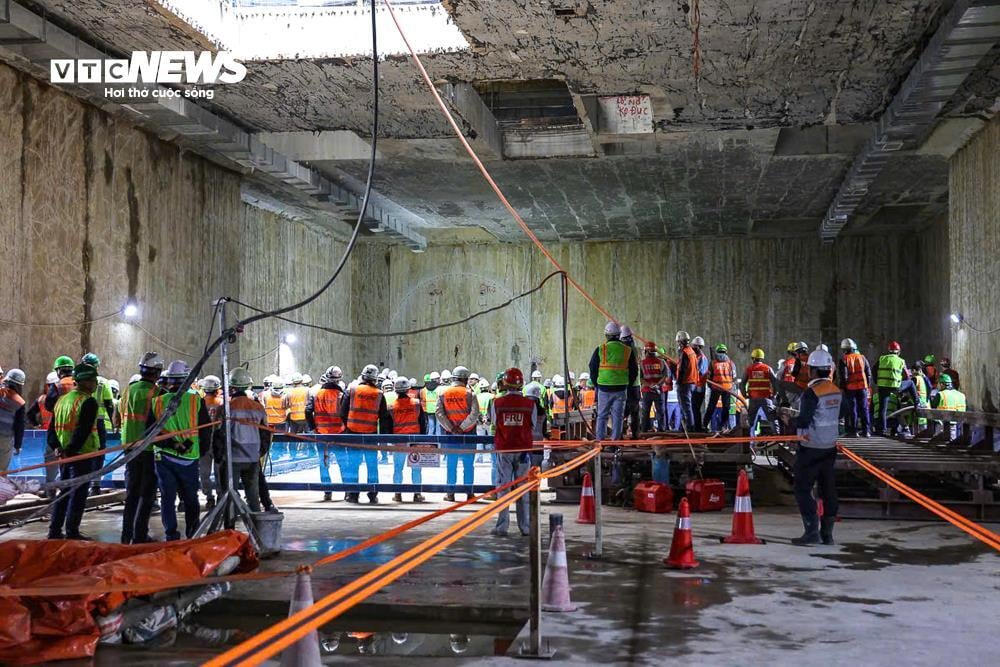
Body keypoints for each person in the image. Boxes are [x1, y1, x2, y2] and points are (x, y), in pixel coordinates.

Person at [148, 360, 211, 541]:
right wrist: (201, 451)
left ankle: (171, 535)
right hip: (189, 458)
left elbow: (151, 431)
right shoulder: (195, 401)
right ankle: (193, 533)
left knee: (167, 498)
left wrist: (172, 444)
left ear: (169, 380)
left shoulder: (157, 402)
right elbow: (206, 429)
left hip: (163, 457)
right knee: (190, 498)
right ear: (187, 379)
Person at [789, 348, 842, 546]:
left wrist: (788, 419)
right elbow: (842, 413)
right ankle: (827, 535)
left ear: (812, 370)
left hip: (810, 448)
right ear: (828, 370)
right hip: (829, 448)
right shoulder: (836, 391)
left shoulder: (811, 393)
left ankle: (811, 532)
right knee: (828, 490)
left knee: (802, 489)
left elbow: (804, 420)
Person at [48, 363, 102, 540]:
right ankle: (72, 531)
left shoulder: (62, 400)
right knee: (78, 495)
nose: (95, 384)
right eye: (93, 380)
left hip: (65, 455)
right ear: (85, 382)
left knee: (63, 493)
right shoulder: (88, 401)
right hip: (81, 455)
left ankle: (54, 530)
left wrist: (58, 448)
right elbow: (82, 430)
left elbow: (51, 430)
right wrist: (70, 450)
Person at [214, 368, 271, 520]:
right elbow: (265, 433)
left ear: (231, 387)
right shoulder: (257, 407)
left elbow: (218, 434)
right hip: (252, 458)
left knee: (229, 494)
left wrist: (219, 456)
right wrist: (260, 452)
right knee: (253, 496)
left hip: (232, 458)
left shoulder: (226, 408)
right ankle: (257, 530)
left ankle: (230, 526)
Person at [118, 352, 163, 544]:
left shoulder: (129, 389)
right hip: (147, 448)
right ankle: (139, 535)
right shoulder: (157, 393)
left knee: (132, 494)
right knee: (147, 495)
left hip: (129, 445)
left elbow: (120, 412)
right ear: (158, 372)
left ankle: (126, 534)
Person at [490, 368, 537, 537]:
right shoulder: (530, 404)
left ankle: (502, 526)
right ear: (521, 384)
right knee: (522, 489)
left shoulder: (497, 403)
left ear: (505, 383)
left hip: (504, 450)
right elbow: (532, 425)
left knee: (503, 487)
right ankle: (525, 527)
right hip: (523, 450)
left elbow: (495, 423)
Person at [340, 364, 391, 504]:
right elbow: (384, 417)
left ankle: (353, 495)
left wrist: (349, 426)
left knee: (353, 464)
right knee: (372, 464)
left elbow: (342, 412)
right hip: (371, 434)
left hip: (352, 432)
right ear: (375, 379)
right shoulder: (379, 394)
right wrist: (382, 438)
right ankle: (372, 494)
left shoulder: (352, 390)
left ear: (362, 376)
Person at [588, 321, 638, 441]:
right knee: (618, 417)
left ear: (606, 335)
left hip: (604, 388)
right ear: (619, 334)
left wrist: (597, 384)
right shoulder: (627, 350)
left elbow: (592, 367)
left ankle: (600, 441)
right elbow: (634, 370)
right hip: (621, 388)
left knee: (602, 416)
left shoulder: (601, 349)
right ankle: (615, 444)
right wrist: (628, 384)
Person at [437, 366, 480, 501]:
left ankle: (450, 493)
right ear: (464, 379)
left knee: (451, 464)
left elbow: (439, 413)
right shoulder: (470, 394)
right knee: (468, 464)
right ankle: (469, 493)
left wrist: (451, 428)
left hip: (450, 436)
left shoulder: (444, 394)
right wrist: (462, 428)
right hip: (468, 434)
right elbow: (474, 414)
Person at [307, 365, 346, 501]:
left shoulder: (317, 394)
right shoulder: (341, 395)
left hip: (321, 434)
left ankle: (327, 491)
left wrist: (313, 428)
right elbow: (345, 413)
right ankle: (347, 490)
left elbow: (307, 411)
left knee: (323, 463)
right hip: (338, 433)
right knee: (343, 462)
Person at [391, 377, 426, 503]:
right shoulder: (416, 403)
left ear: (396, 391)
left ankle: (397, 494)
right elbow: (423, 423)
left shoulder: (392, 406)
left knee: (397, 468)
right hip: (414, 441)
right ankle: (417, 494)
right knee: (416, 468)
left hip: (399, 442)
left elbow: (389, 426)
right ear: (408, 390)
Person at [875, 341, 919, 436]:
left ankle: (881, 430)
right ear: (898, 352)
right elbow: (907, 376)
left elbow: (874, 370)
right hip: (895, 386)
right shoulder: (901, 360)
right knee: (911, 383)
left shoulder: (882, 358)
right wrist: (903, 390)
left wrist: (877, 382)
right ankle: (917, 402)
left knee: (883, 409)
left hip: (882, 386)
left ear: (889, 351)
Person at [838, 338, 872, 437]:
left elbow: (843, 376)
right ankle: (866, 431)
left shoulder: (844, 359)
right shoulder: (862, 357)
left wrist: (842, 388)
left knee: (853, 409)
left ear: (844, 349)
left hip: (850, 388)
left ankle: (854, 431)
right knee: (864, 408)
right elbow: (868, 373)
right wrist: (867, 385)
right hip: (862, 387)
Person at [199, 375, 224, 509]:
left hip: (204, 442)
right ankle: (220, 496)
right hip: (218, 441)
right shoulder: (222, 403)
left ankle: (209, 498)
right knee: (219, 471)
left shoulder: (199, 402)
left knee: (204, 473)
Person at [743, 348, 780, 436]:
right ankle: (777, 437)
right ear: (762, 358)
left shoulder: (749, 369)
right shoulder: (767, 368)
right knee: (772, 417)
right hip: (766, 397)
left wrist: (744, 394)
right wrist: (773, 394)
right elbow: (775, 382)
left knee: (751, 419)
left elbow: (742, 383)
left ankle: (748, 439)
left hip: (753, 398)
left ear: (753, 358)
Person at [703, 344, 737, 432]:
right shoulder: (730, 363)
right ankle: (723, 426)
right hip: (727, 388)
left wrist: (711, 386)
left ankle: (704, 425)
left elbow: (709, 377)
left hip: (716, 388)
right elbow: (734, 376)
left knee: (711, 407)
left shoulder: (713, 362)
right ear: (726, 352)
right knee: (726, 408)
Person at [0, 369, 26, 472]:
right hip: (5, 438)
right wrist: (17, 445)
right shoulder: (20, 402)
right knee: (2, 469)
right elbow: (19, 426)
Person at [618, 326, 642, 438]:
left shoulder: (625, 350)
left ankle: (620, 434)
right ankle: (636, 435)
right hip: (636, 385)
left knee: (622, 411)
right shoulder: (635, 349)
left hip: (627, 385)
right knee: (635, 412)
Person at [639, 340, 668, 432]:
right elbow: (665, 376)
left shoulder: (642, 363)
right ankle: (661, 430)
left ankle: (644, 430)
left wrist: (649, 385)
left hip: (647, 390)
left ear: (646, 351)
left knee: (645, 412)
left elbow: (640, 378)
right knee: (660, 412)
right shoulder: (661, 362)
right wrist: (657, 384)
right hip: (658, 390)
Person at [675, 331, 699, 431]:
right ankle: (683, 427)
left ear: (680, 341)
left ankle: (689, 428)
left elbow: (682, 369)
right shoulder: (691, 351)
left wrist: (678, 382)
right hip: (692, 382)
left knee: (685, 407)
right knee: (686, 406)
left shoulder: (685, 353)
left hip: (685, 382)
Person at [931, 374, 966, 441]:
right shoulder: (961, 395)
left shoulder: (941, 394)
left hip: (943, 425)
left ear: (942, 384)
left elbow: (933, 406)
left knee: (940, 442)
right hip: (960, 425)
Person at [690, 336, 709, 431]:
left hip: (698, 387)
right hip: (695, 387)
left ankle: (697, 427)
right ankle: (696, 426)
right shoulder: (696, 357)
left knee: (695, 408)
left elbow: (700, 372)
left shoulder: (702, 358)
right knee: (694, 408)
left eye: (693, 346)